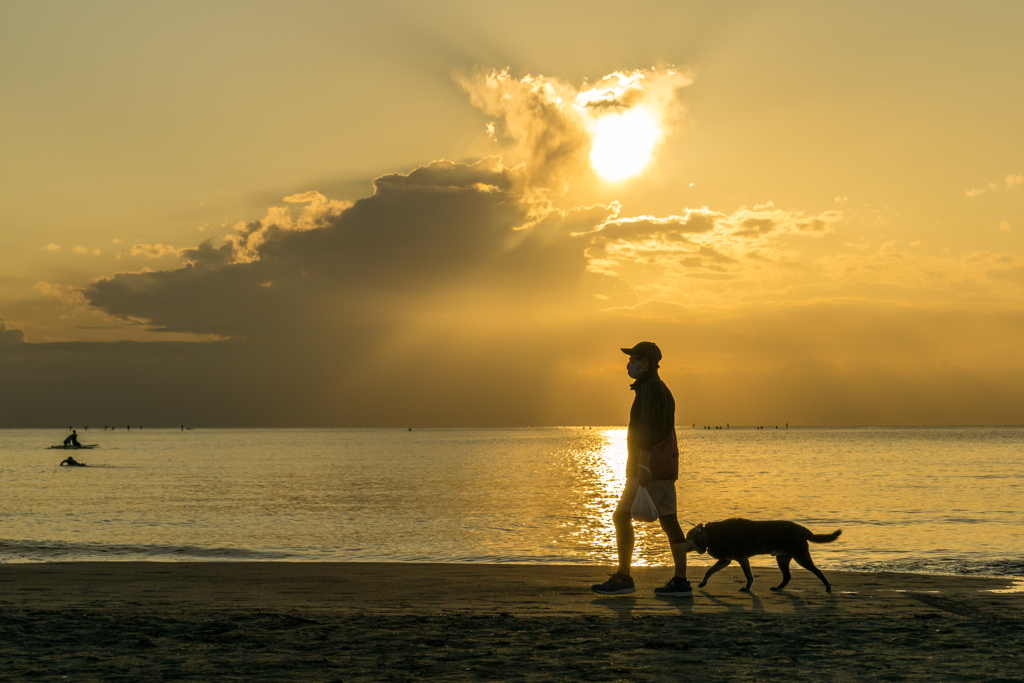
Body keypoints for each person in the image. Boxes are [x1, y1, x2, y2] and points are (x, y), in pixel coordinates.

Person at [592, 341, 693, 597]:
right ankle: (680, 581)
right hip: (666, 465)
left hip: (648, 467)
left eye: (633, 358)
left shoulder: (649, 389)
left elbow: (646, 430)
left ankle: (624, 577)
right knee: (670, 521)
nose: (629, 363)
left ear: (645, 363)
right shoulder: (660, 388)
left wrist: (642, 465)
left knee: (620, 517)